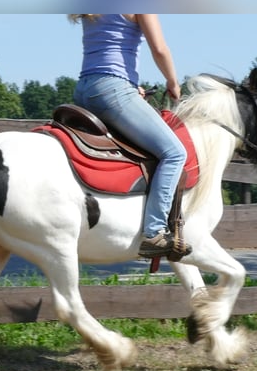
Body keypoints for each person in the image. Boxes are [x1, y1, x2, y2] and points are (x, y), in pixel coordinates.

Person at [68, 14, 191, 258]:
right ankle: (155, 231)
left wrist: (131, 87)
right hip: (112, 89)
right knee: (174, 153)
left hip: (85, 88)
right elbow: (159, 49)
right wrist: (172, 82)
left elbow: (106, 50)